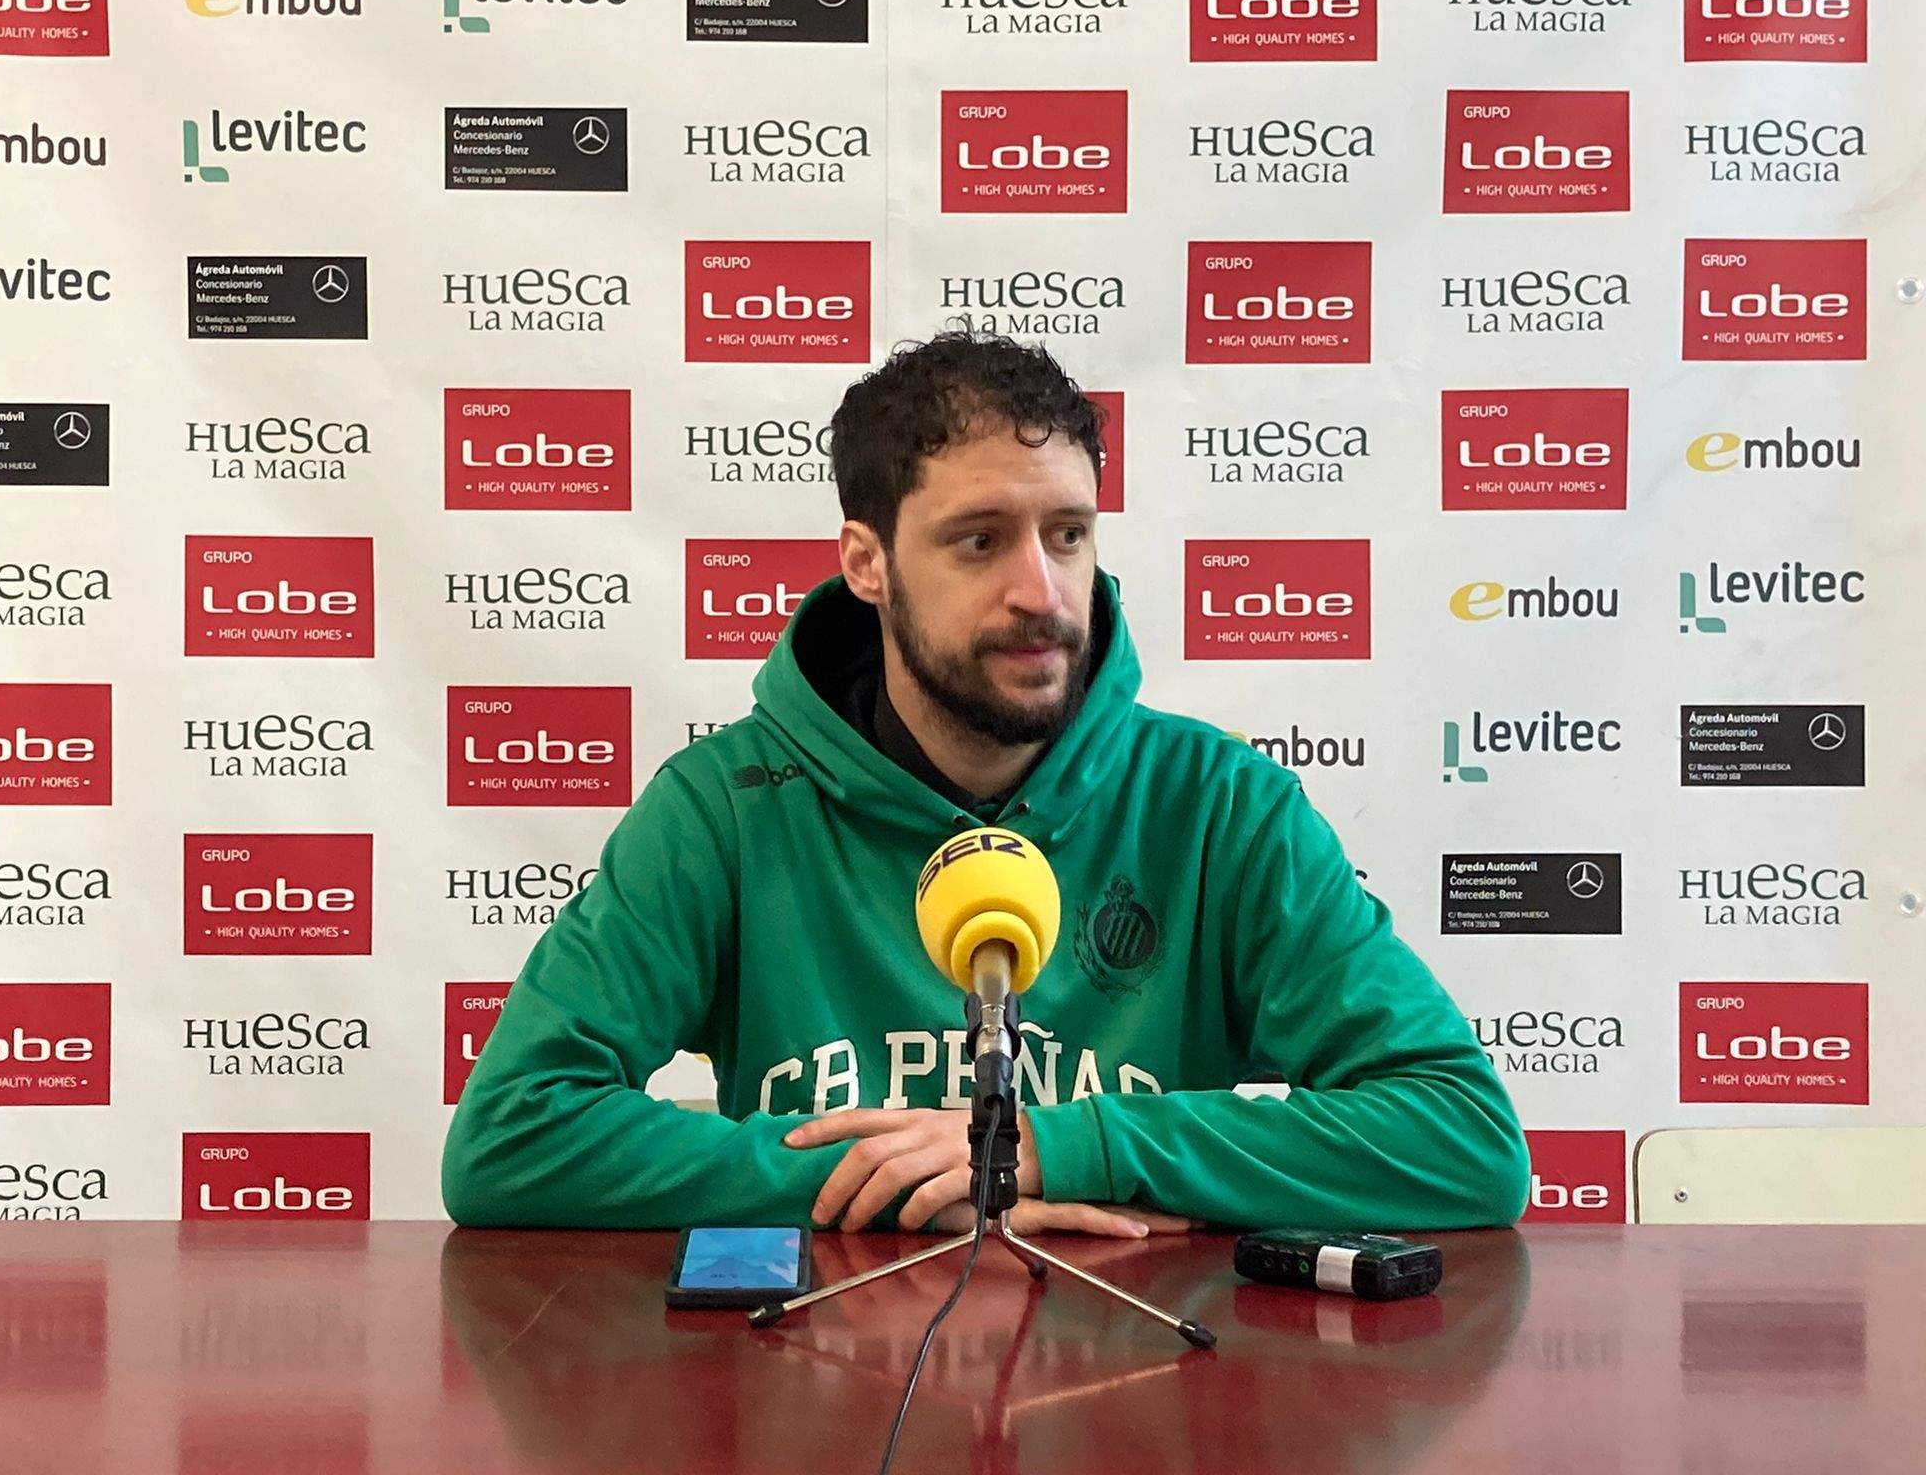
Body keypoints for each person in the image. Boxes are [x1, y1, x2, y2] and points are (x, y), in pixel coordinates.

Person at [442, 328, 1529, 1237]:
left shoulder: (1219, 807)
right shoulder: (725, 807)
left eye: (1067, 535)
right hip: (820, 1382)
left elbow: (1460, 1139)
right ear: (866, 563)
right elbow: (512, 1139)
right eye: (977, 541)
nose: (1040, 591)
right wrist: (917, 1177)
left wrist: (1068, 1148)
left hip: (1136, 1383)